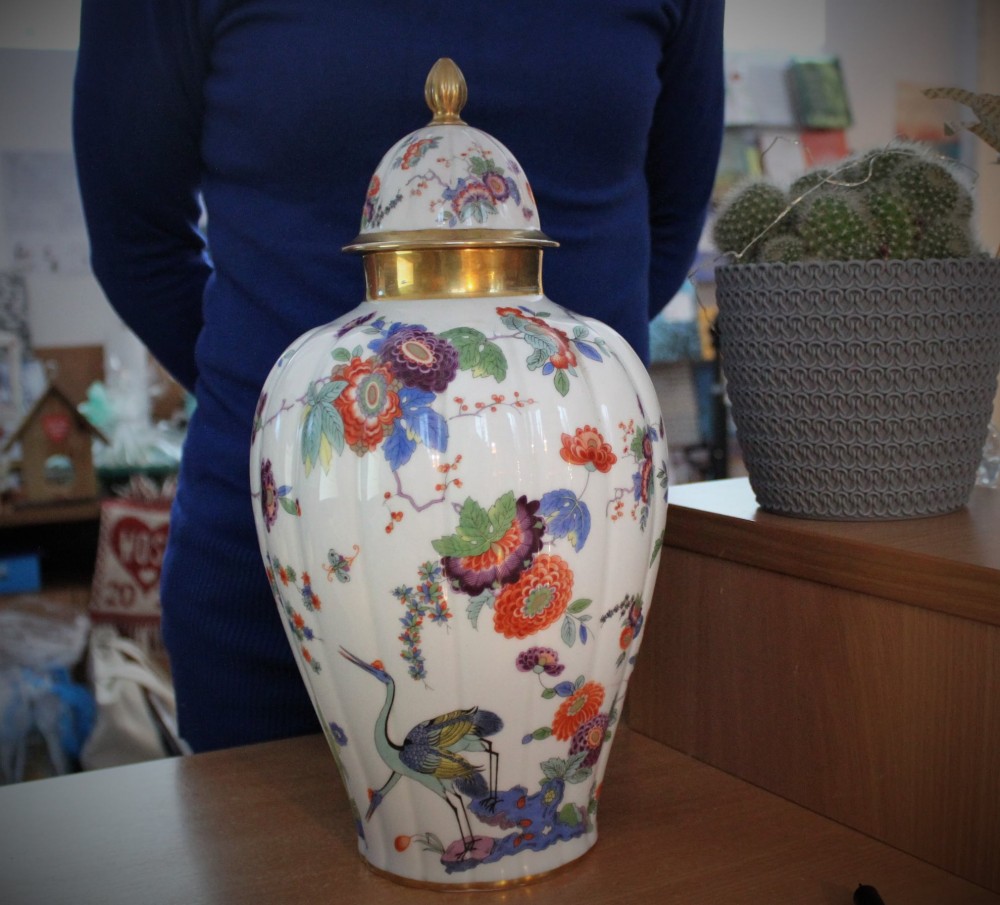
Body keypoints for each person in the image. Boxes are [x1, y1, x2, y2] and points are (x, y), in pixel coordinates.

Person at [73, 1, 725, 752]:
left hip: (594, 557)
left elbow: (670, 220)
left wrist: (561, 389)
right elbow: (135, 240)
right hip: (283, 558)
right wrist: (297, 411)